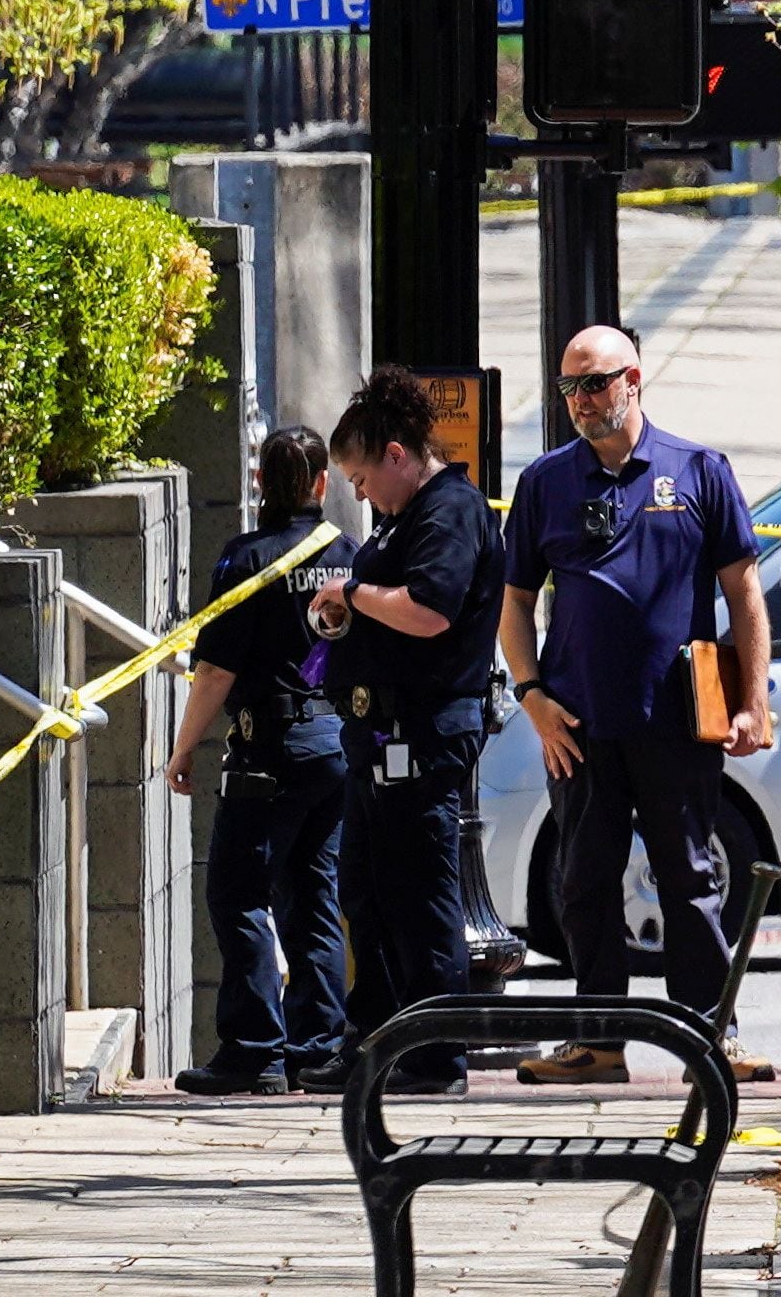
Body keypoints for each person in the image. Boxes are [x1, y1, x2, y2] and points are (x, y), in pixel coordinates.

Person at [501, 325, 776, 1085]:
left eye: (594, 383)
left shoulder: (699, 471)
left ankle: (708, 1036)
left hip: (677, 719)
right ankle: (597, 1041)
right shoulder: (545, 483)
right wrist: (533, 698)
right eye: (567, 389)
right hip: (578, 724)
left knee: (689, 879)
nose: (580, 401)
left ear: (634, 380)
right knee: (583, 883)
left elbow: (744, 594)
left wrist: (752, 700)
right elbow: (515, 603)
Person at [295, 366, 505, 1097]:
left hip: (419, 732)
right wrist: (342, 614)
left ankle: (434, 1052)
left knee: (419, 895)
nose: (357, 492)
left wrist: (353, 590)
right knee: (369, 891)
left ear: (395, 453)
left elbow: (431, 609)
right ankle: (380, 1039)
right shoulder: (405, 518)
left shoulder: (449, 512)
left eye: (359, 475)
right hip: (378, 735)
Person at [164, 426, 358, 1095]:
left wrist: (184, 746)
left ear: (258, 484)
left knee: (238, 892)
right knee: (312, 895)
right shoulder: (344, 553)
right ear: (321, 484)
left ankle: (253, 1049)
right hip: (333, 746)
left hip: (267, 753)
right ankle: (317, 1047)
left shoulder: (245, 560)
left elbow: (215, 668)